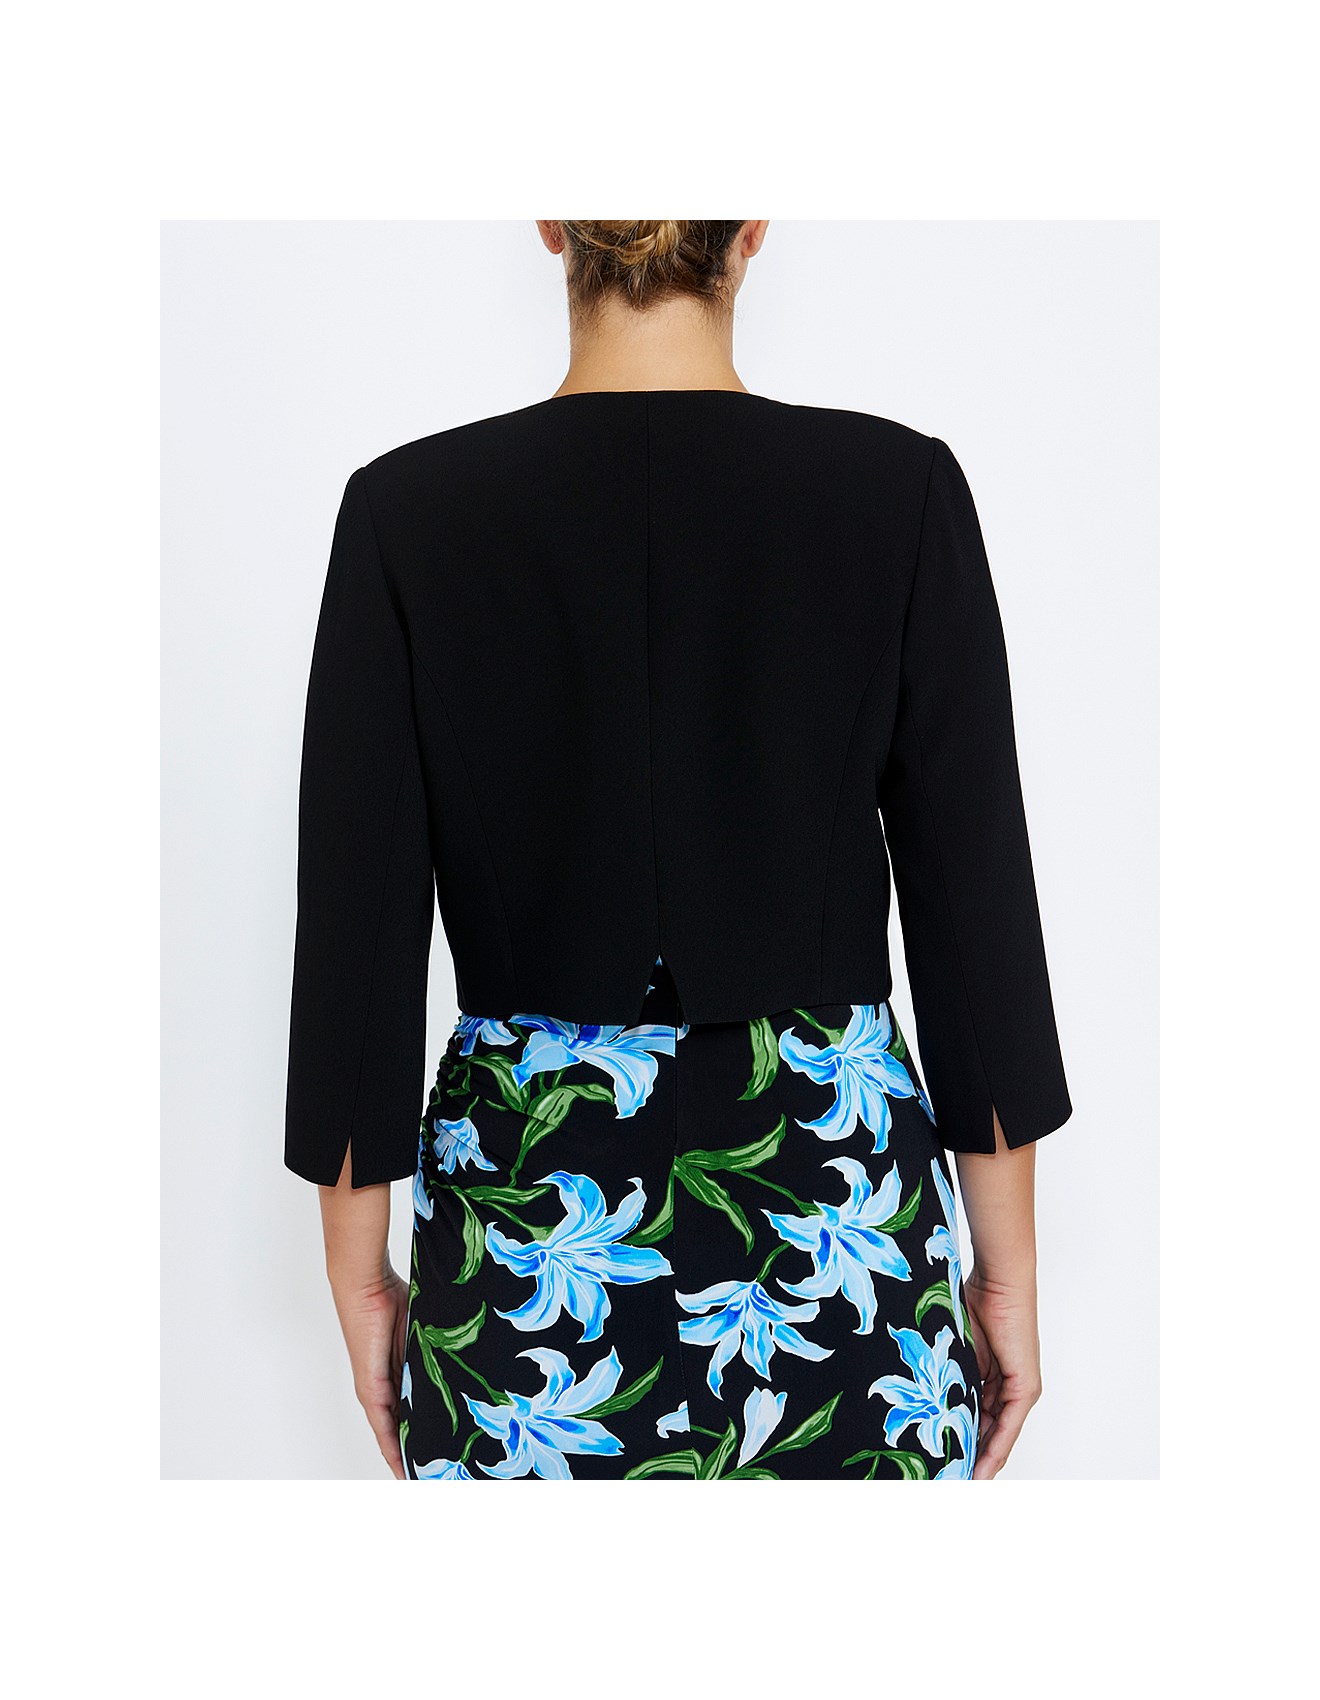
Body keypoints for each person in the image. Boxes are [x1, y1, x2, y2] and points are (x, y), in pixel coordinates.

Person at [284, 220, 1072, 1482]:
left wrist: (360, 1276)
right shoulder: (898, 491)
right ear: (750, 225)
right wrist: (1009, 1276)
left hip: (528, 1217)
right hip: (835, 1213)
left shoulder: (405, 513)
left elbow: (355, 937)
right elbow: (975, 922)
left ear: (554, 222)